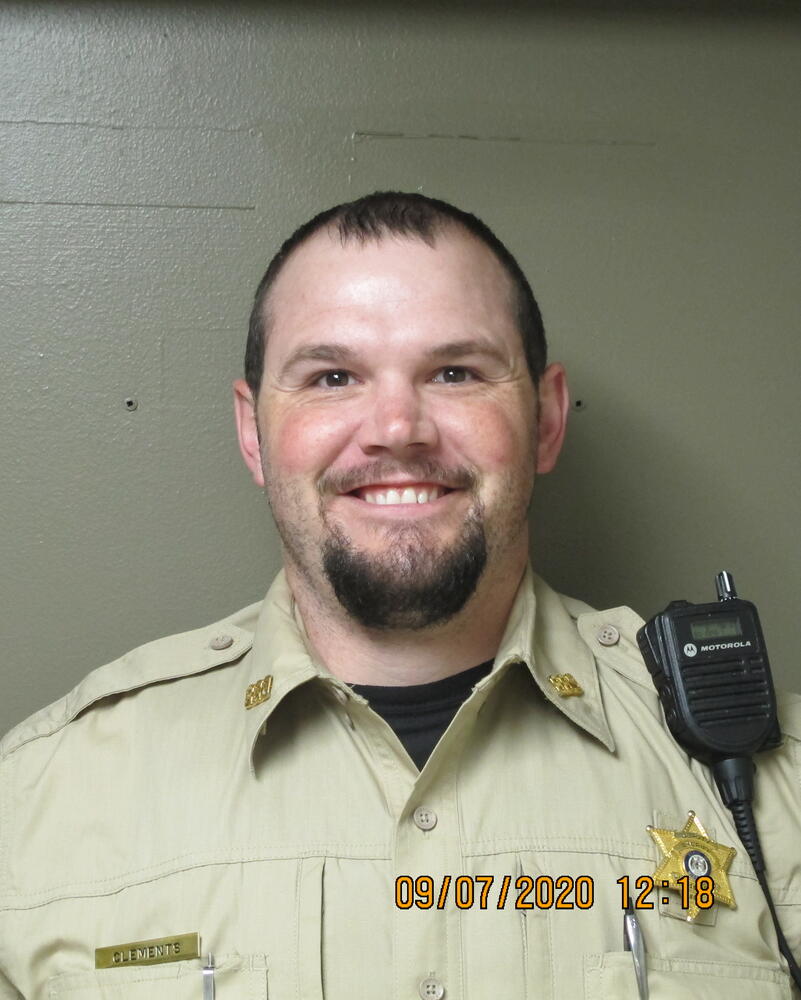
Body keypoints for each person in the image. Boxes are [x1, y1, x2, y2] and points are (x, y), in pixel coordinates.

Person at [1, 192, 799, 999]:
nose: (395, 428)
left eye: (454, 372)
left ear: (546, 418)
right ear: (252, 433)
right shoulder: (41, 798)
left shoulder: (779, 783)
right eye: (332, 376)